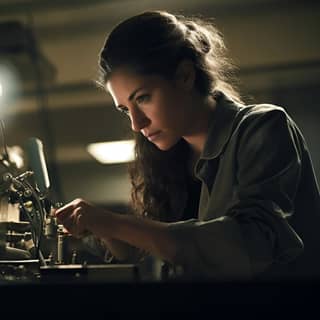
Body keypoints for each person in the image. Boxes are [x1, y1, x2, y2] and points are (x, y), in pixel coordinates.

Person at [55, 10, 320, 281]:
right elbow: (152, 252)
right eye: (125, 109)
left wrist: (115, 223)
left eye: (143, 97)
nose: (136, 123)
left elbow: (252, 245)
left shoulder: (264, 127)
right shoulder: (168, 158)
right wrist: (97, 225)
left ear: (184, 76)